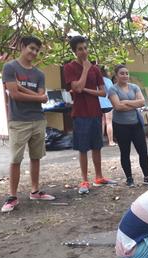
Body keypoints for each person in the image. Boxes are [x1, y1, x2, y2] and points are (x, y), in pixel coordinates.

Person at [1, 36, 55, 213]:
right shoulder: (10, 67)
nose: (33, 52)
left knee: (36, 157)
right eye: (31, 48)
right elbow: (14, 95)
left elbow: (39, 95)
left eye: (36, 50)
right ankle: (12, 197)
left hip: (38, 119)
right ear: (22, 47)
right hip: (18, 120)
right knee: (15, 159)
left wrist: (23, 89)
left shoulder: (39, 74)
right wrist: (38, 97)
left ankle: (35, 191)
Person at [63, 36, 116, 195]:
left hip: (95, 112)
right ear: (74, 51)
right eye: (80, 49)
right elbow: (76, 87)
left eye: (85, 48)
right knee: (83, 148)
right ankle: (84, 180)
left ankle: (99, 177)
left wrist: (86, 90)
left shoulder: (96, 69)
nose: (84, 51)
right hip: (80, 113)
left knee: (97, 146)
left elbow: (103, 91)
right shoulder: (69, 68)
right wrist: (85, 70)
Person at [108, 64, 148, 187]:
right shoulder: (113, 89)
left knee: (143, 151)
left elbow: (142, 102)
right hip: (121, 126)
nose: (125, 76)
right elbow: (117, 107)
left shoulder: (134, 87)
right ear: (116, 75)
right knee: (125, 152)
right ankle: (129, 178)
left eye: (127, 73)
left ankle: (147, 176)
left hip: (136, 124)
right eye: (122, 73)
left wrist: (125, 102)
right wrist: (132, 104)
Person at [98, 66, 116, 146]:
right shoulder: (108, 80)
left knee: (101, 123)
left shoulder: (94, 80)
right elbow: (112, 91)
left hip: (98, 104)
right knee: (109, 122)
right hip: (108, 103)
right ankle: (110, 141)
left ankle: (100, 141)